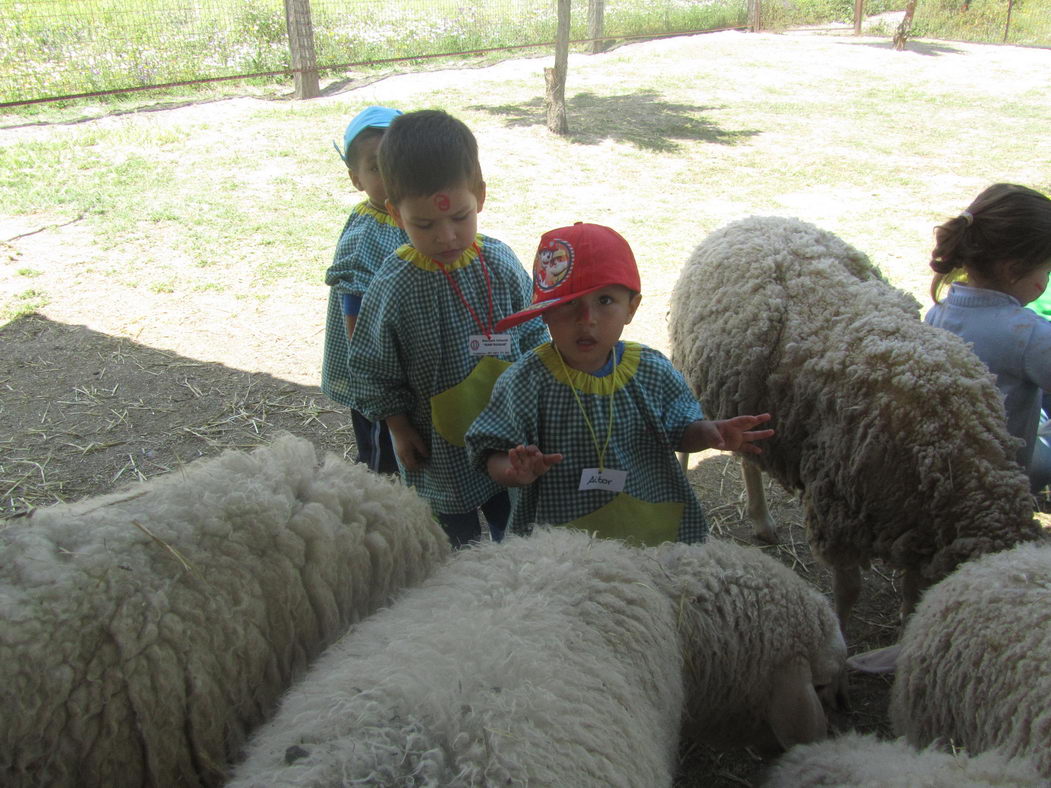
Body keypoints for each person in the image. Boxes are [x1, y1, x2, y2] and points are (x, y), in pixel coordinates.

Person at [464, 222, 774, 545]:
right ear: (544, 313)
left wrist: (709, 434)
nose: (587, 318)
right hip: (560, 550)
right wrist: (512, 471)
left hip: (651, 537)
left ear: (632, 307)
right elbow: (489, 450)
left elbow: (681, 430)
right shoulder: (524, 383)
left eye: (606, 300)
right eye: (569, 303)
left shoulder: (651, 371)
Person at [346, 110, 548, 548]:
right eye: (424, 224)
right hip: (437, 452)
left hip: (507, 435)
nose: (447, 236)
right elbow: (372, 368)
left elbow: (534, 335)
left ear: (479, 196)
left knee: (513, 535)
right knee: (450, 547)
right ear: (395, 216)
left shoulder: (500, 262)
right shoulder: (394, 285)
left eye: (460, 215)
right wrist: (399, 429)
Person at [924, 183, 1051, 494]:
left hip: (946, 467)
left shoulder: (939, 311)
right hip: (1001, 480)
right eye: (1046, 271)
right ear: (1013, 270)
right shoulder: (1029, 335)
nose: (1046, 281)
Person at [321, 105, 407, 474]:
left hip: (406, 365)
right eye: (376, 166)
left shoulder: (417, 216)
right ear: (356, 178)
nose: (392, 174)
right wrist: (379, 390)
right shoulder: (365, 236)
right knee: (381, 461)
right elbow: (358, 330)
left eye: (399, 160)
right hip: (376, 377)